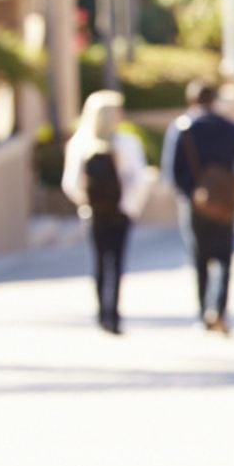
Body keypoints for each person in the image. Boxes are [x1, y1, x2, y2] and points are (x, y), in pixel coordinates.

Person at [161, 81, 234, 334]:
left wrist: (191, 194)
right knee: (224, 257)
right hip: (226, 202)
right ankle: (219, 310)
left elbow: (172, 171)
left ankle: (204, 313)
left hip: (195, 204)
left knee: (200, 258)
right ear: (213, 99)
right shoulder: (229, 127)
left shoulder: (182, 128)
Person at [61, 91, 150, 335]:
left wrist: (87, 203)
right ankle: (113, 314)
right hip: (119, 213)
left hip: (95, 214)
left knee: (100, 263)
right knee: (116, 263)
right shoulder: (126, 143)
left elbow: (71, 183)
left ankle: (103, 314)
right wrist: (128, 207)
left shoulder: (80, 144)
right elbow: (139, 179)